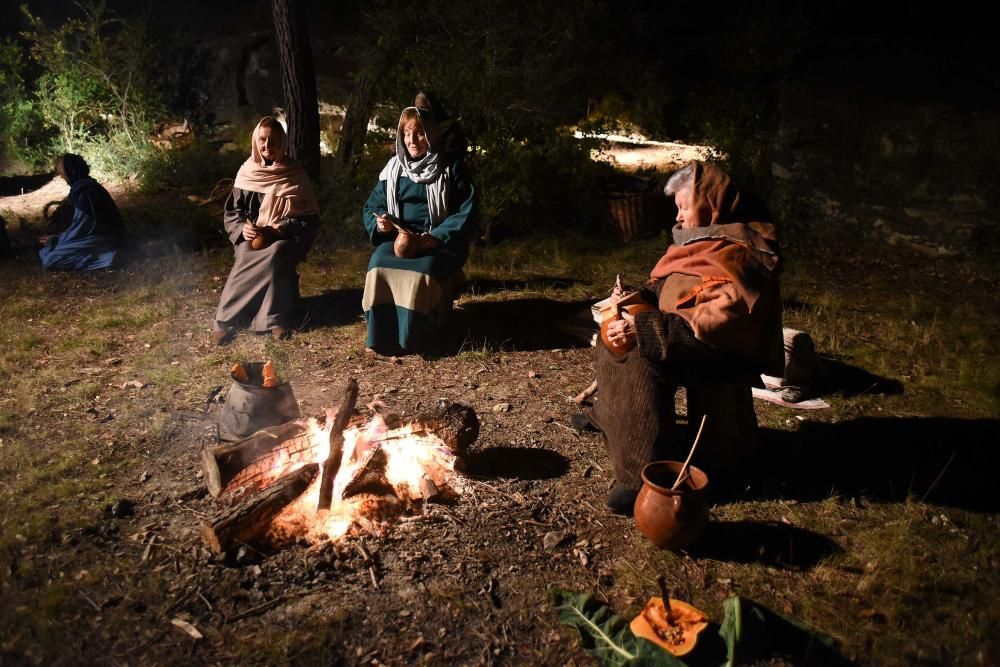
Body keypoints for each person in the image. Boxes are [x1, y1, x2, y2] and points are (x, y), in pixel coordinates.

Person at [586, 161, 784, 514]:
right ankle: (609, 415)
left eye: (684, 207)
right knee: (609, 340)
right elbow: (665, 286)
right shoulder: (701, 241)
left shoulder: (743, 253)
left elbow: (719, 326)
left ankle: (637, 477)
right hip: (680, 334)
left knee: (640, 357)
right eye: (676, 208)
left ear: (711, 203)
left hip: (716, 350)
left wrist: (643, 329)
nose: (677, 218)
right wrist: (633, 298)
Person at [361, 106, 476, 355]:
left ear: (432, 135)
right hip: (400, 239)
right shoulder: (393, 170)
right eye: (407, 134)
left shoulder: (450, 169)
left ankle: (415, 337)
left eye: (420, 133)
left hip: (437, 242)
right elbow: (373, 205)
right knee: (378, 263)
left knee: (423, 270)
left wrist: (437, 237)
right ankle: (381, 336)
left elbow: (466, 211)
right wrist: (381, 222)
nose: (412, 141)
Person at [212, 116, 320, 344]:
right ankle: (226, 319)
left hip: (285, 236)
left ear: (283, 142)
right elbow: (233, 212)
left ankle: (275, 319)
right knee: (246, 253)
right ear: (255, 140)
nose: (267, 145)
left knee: (276, 254)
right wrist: (244, 227)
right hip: (253, 235)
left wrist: (281, 229)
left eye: (273, 140)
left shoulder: (294, 174)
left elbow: (309, 218)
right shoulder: (247, 172)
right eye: (262, 139)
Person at [38, 154, 125, 271]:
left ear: (71, 171)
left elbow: (83, 227)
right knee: (47, 250)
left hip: (103, 238)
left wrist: (58, 239)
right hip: (99, 235)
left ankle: (108, 258)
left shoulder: (84, 192)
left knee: (51, 259)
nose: (63, 178)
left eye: (63, 174)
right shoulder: (86, 186)